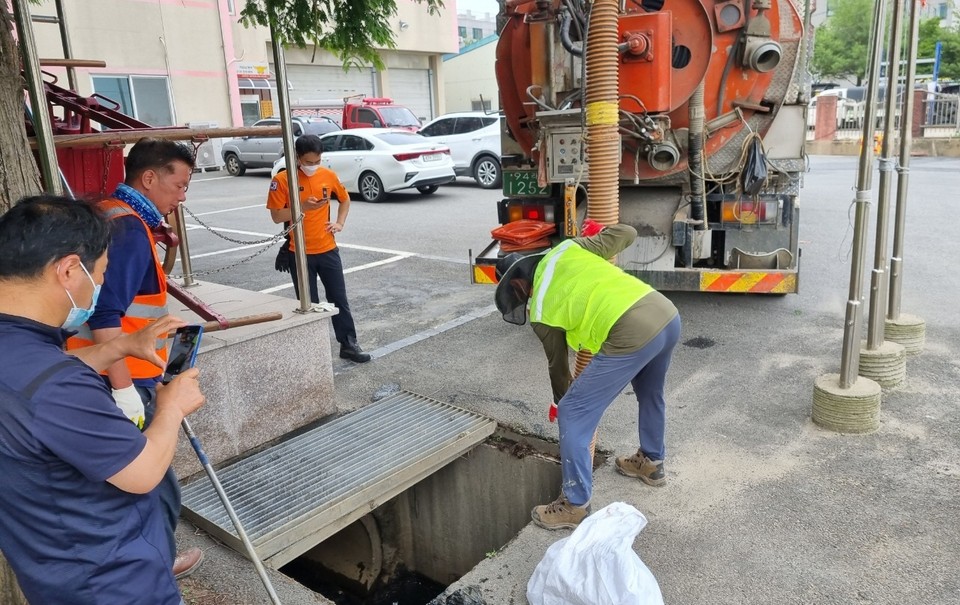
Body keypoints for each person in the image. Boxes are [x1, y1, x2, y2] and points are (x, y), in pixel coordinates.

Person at [0, 195, 205, 604]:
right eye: (101, 273)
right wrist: (171, 406)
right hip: (112, 583)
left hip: (51, 569)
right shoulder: (59, 389)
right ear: (69, 270)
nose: (101, 286)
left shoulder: (23, 356)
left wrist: (117, 347)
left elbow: (34, 381)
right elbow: (143, 471)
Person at [65, 137, 204, 577]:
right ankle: (158, 566)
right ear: (149, 177)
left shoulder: (109, 212)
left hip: (105, 368)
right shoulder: (127, 228)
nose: (182, 196)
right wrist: (124, 390)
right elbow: (107, 314)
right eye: (179, 185)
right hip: (124, 377)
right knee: (154, 477)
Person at [494, 223, 681, 530]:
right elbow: (628, 234)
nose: (522, 300)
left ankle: (575, 504)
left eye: (517, 294)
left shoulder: (541, 308)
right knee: (650, 394)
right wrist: (598, 232)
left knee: (573, 410)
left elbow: (558, 368)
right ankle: (651, 463)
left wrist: (562, 405)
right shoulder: (568, 250)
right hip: (665, 313)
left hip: (631, 330)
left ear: (518, 283)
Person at [267, 134, 371, 363]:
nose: (313, 166)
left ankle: (349, 344)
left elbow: (344, 199)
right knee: (309, 305)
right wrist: (300, 207)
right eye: (308, 162)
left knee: (339, 299)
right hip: (299, 252)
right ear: (297, 157)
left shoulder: (328, 175)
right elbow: (276, 217)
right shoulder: (283, 180)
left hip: (328, 250)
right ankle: (314, 352)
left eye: (317, 161)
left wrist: (340, 223)